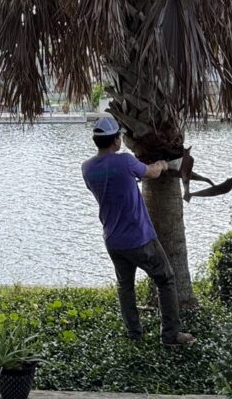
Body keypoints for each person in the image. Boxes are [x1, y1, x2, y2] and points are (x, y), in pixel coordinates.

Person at [81, 116, 194, 346]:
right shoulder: (124, 162)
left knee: (125, 286)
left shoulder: (88, 169)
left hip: (113, 239)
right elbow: (150, 172)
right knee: (166, 279)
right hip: (139, 238)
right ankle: (171, 335)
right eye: (119, 137)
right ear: (115, 141)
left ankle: (134, 334)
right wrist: (162, 164)